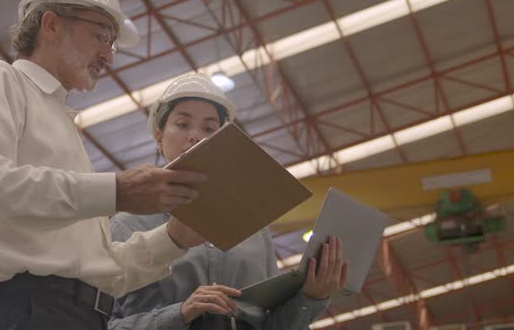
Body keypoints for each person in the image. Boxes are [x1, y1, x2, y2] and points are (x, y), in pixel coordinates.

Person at [0, 0, 209, 330]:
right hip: (33, 312)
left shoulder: (62, 127)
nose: (108, 56)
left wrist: (173, 239)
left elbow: (99, 273)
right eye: (100, 35)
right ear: (51, 24)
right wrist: (117, 191)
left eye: (111, 43)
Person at [109, 74, 348, 330]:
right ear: (159, 137)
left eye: (209, 129)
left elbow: (268, 324)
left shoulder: (255, 230)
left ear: (223, 140)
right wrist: (180, 313)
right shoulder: (127, 226)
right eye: (182, 124)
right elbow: (103, 324)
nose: (195, 136)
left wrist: (311, 298)